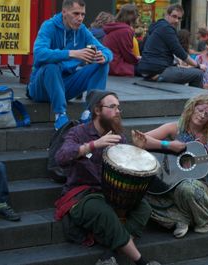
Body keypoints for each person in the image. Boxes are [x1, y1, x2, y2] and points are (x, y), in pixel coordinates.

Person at [54, 91, 160, 265]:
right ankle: (142, 262)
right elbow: (61, 157)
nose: (118, 111)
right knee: (105, 212)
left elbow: (127, 168)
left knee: (144, 208)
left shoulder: (119, 137)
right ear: (97, 110)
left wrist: (137, 150)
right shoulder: (78, 132)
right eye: (112, 107)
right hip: (81, 195)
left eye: (118, 107)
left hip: (110, 193)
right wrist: (93, 145)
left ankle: (109, 254)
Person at [132, 94, 208, 238]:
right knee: (140, 189)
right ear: (192, 107)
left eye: (207, 114)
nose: (202, 115)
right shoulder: (175, 128)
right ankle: (182, 218)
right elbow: (138, 139)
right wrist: (168, 144)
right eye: (200, 109)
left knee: (187, 187)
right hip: (172, 181)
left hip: (198, 186)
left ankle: (201, 220)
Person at [28, 0, 113, 130]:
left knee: (102, 65)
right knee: (51, 66)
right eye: (76, 14)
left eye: (83, 14)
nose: (80, 18)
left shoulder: (82, 30)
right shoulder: (49, 26)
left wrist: (104, 56)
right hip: (41, 88)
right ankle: (60, 115)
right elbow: (39, 53)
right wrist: (71, 53)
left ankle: (89, 114)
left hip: (65, 87)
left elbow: (107, 51)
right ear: (64, 12)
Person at [137, 4, 205, 88]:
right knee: (198, 74)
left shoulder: (156, 27)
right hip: (158, 70)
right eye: (174, 16)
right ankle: (196, 101)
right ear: (167, 15)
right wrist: (198, 65)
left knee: (181, 73)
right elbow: (180, 52)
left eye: (179, 18)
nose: (176, 20)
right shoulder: (167, 28)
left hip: (146, 69)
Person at [103, 4, 140, 77]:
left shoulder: (116, 27)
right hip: (116, 66)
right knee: (147, 69)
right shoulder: (125, 30)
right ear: (133, 17)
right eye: (137, 16)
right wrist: (138, 60)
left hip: (109, 64)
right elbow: (127, 55)